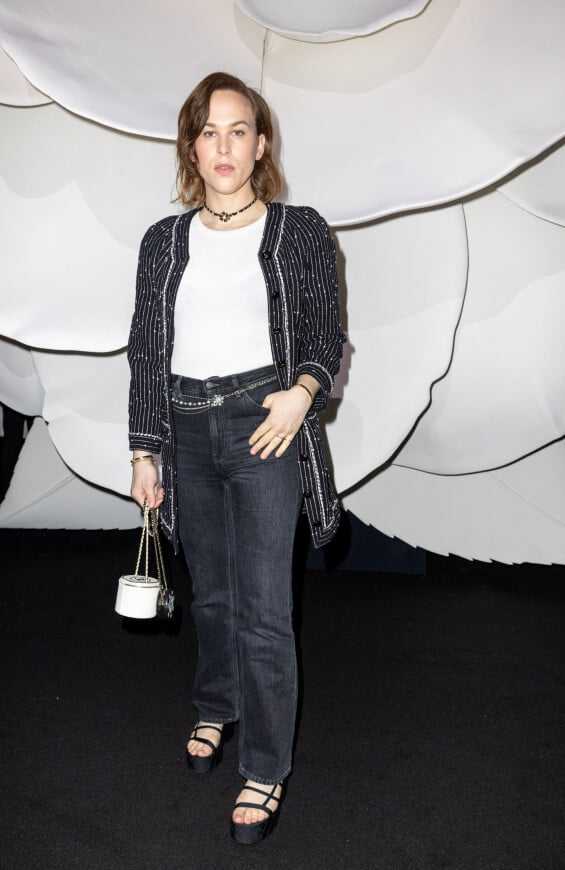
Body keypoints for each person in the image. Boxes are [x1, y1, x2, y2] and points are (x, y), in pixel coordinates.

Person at [127, 71, 344, 845]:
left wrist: (303, 392)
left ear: (261, 144)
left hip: (265, 426)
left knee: (263, 611)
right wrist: (144, 448)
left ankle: (265, 764)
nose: (224, 145)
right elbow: (148, 355)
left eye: (238, 129)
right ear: (193, 144)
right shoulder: (164, 240)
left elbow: (323, 333)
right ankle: (217, 707)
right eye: (208, 131)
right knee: (211, 597)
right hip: (183, 427)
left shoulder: (301, 229)